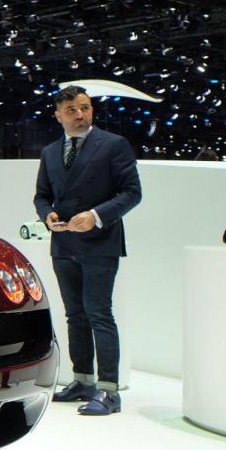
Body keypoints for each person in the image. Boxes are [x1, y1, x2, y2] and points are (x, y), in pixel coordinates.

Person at [34, 85, 142, 417]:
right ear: (58, 115)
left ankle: (109, 390)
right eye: (71, 110)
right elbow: (41, 195)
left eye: (85, 107)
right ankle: (82, 380)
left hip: (100, 241)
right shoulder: (50, 152)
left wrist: (95, 216)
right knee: (75, 315)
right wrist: (47, 215)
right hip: (63, 243)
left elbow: (132, 192)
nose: (80, 114)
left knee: (99, 313)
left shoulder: (113, 145)